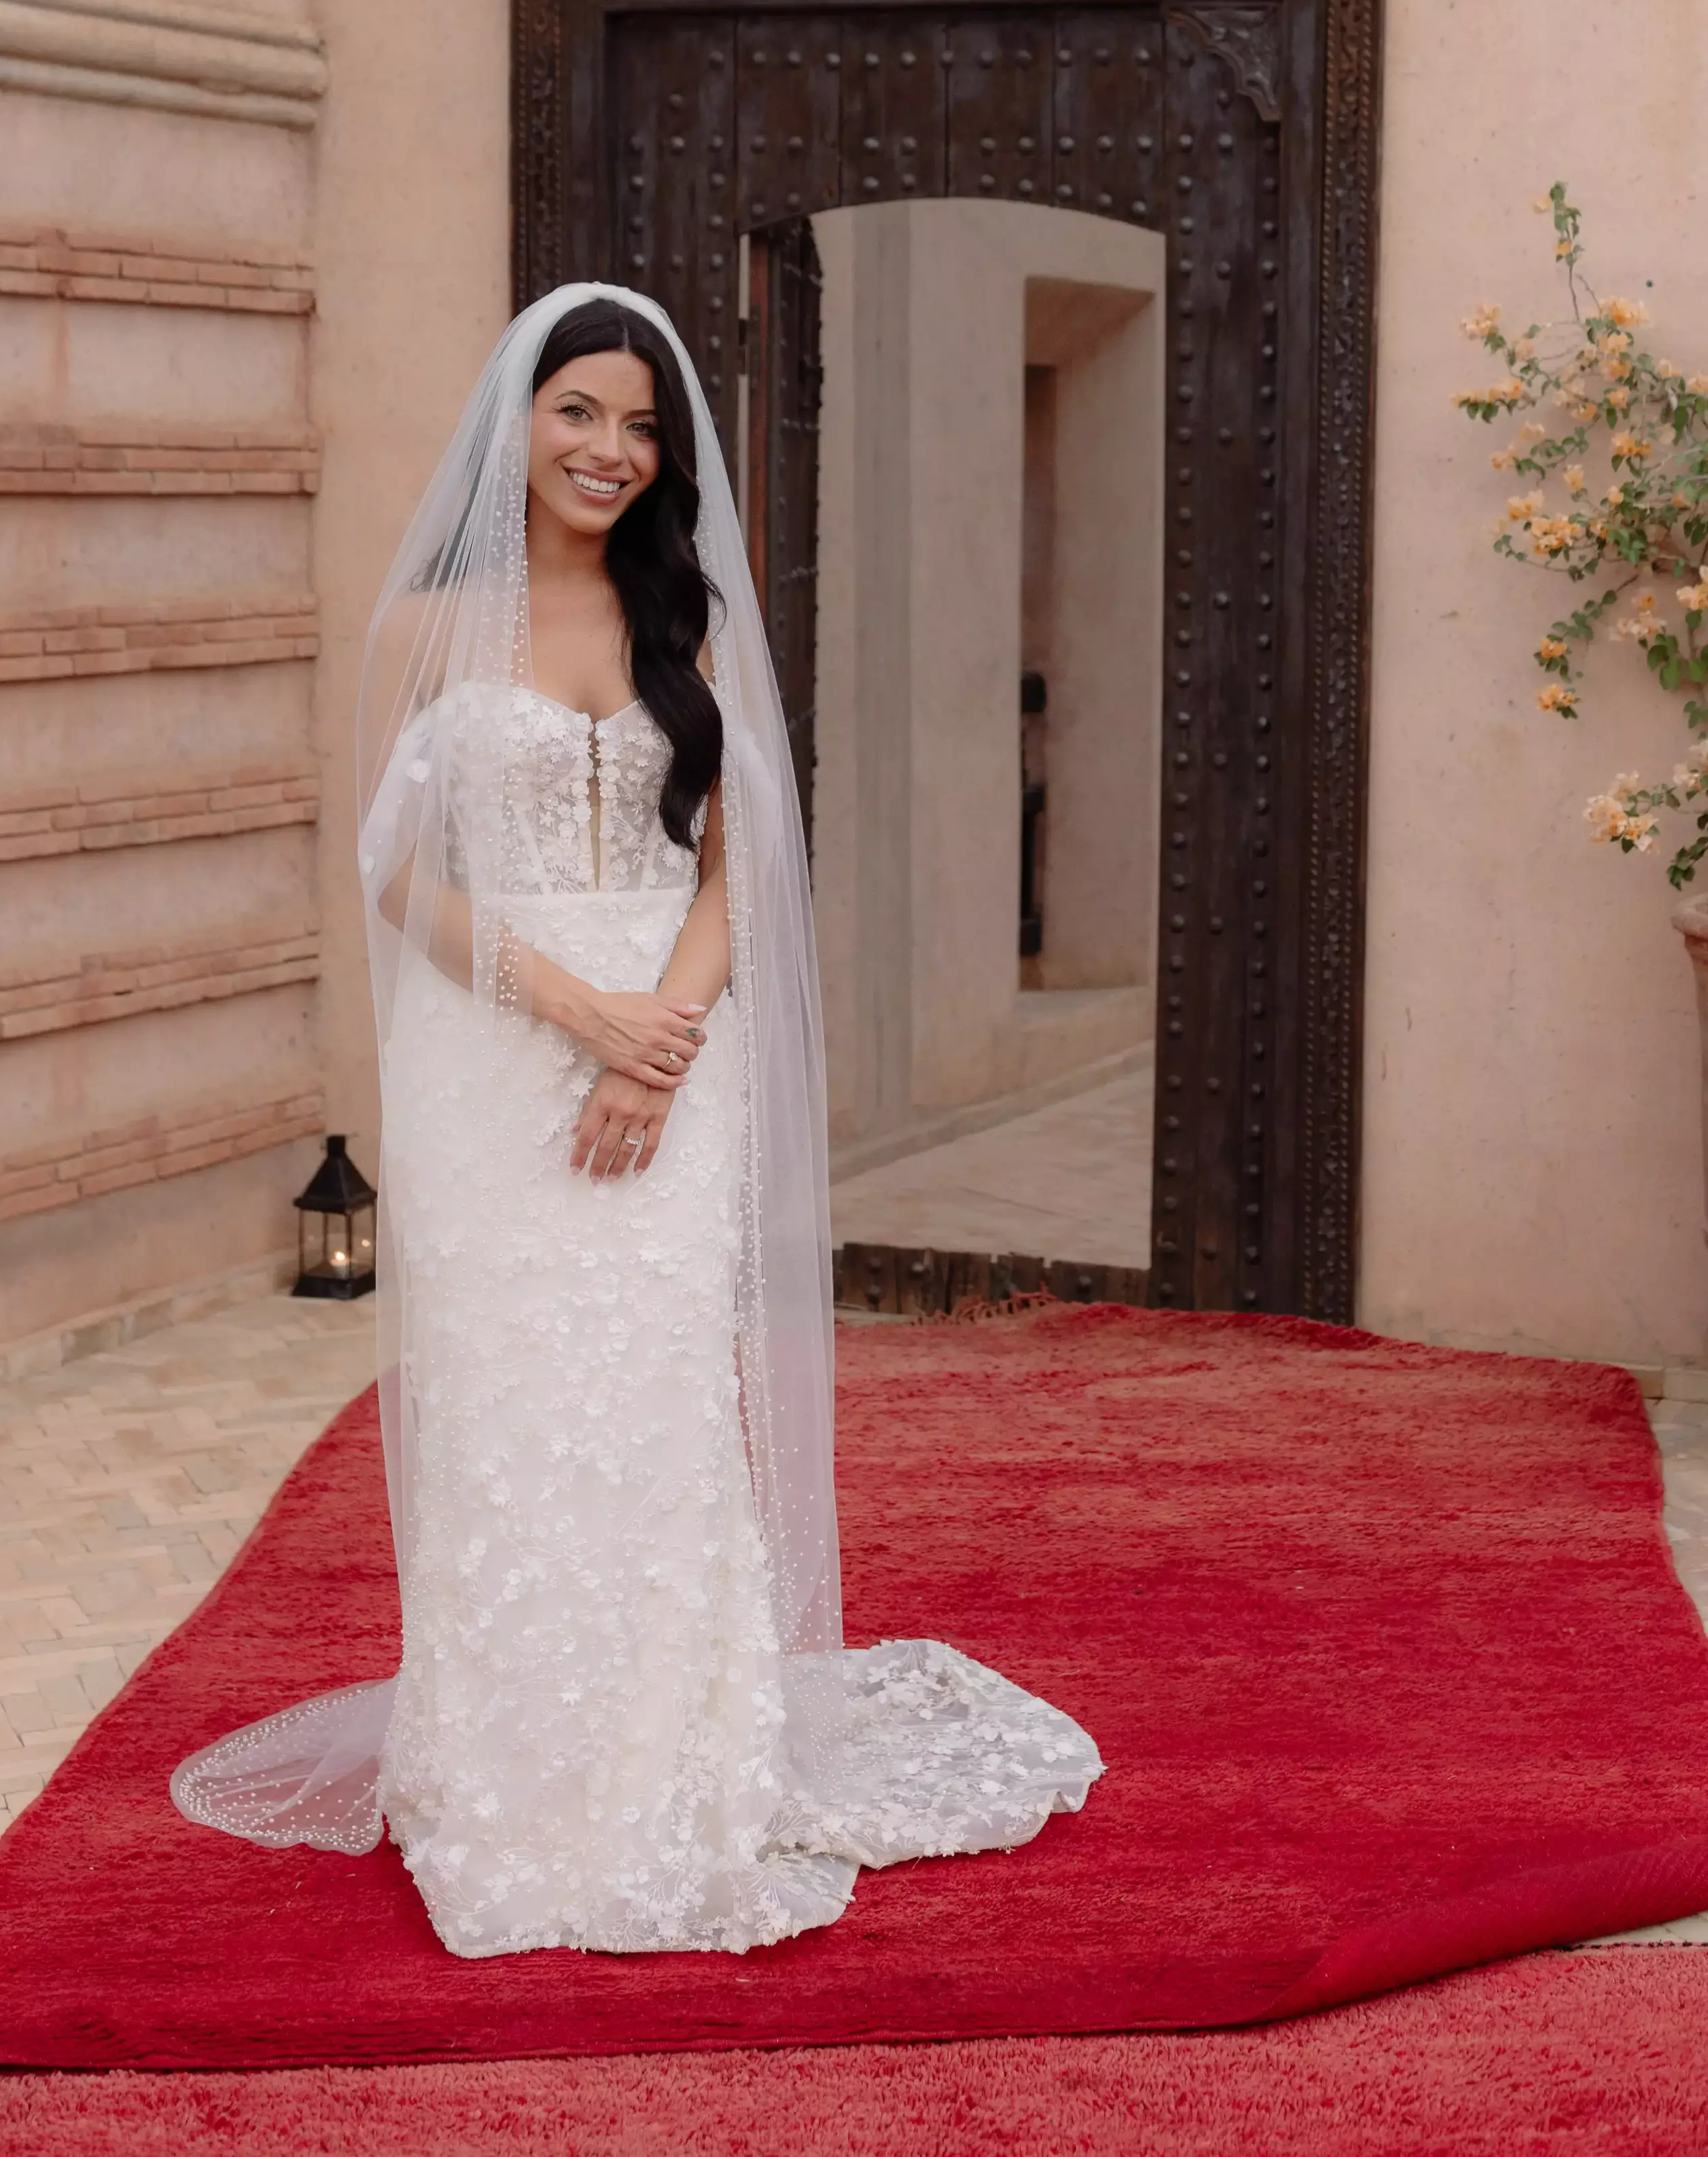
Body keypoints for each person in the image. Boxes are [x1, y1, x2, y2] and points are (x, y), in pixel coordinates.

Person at [171, 283, 1099, 1955]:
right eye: (580, 411)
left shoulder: (698, 625)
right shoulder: (427, 632)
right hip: (491, 1057)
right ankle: (514, 1769)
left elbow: (743, 871)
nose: (608, 448)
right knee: (512, 1399)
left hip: (674, 1049)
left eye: (643, 424)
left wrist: (652, 1042)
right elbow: (395, 871)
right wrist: (568, 1007)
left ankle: (687, 1760)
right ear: (519, 424)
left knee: (658, 1394)